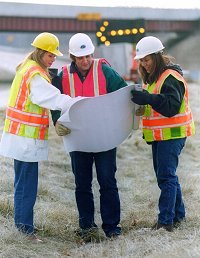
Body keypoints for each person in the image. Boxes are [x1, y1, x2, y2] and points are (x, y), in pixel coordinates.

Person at [51, 33, 128, 240]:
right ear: (72, 57)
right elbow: (54, 101)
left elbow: (123, 93)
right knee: (82, 185)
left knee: (107, 182)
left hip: (104, 138)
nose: (85, 61)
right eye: (80, 57)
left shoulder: (104, 70)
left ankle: (112, 227)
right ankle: (87, 227)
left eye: (88, 56)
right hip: (78, 139)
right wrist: (56, 120)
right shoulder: (63, 76)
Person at [0, 32, 73, 242]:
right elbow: (51, 98)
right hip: (25, 139)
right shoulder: (35, 74)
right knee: (27, 186)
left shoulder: (26, 68)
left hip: (19, 137)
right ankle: (25, 230)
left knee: (22, 184)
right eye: (50, 55)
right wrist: (74, 102)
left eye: (54, 56)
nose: (53, 59)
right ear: (40, 52)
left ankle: (22, 225)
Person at [131, 36, 195, 232]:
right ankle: (178, 215)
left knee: (166, 177)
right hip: (161, 136)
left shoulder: (170, 77)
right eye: (141, 60)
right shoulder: (155, 78)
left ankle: (165, 222)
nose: (144, 64)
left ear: (157, 57)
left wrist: (148, 99)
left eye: (147, 59)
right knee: (168, 177)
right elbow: (158, 104)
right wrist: (144, 107)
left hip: (172, 135)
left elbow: (171, 107)